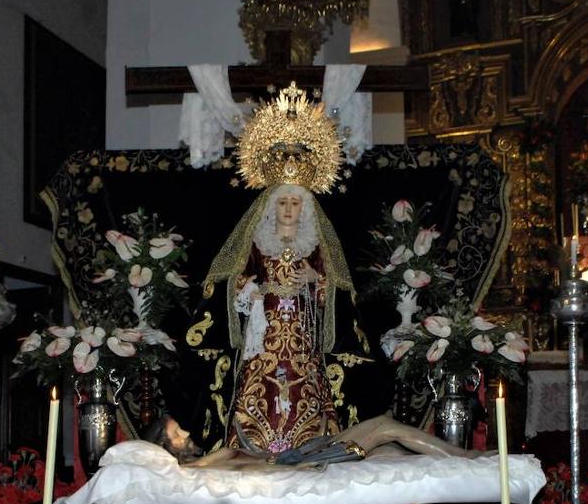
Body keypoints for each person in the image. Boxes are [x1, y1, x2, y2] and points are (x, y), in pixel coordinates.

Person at [201, 184, 359, 455]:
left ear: (305, 209)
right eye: (282, 202)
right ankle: (251, 443)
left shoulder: (316, 249)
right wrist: (249, 292)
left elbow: (339, 292)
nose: (288, 209)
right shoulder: (257, 244)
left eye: (295, 203)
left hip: (301, 334)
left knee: (305, 384)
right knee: (259, 382)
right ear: (272, 207)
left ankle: (307, 445)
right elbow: (234, 279)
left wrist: (316, 280)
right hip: (266, 332)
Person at [143, 412, 482, 469]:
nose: (186, 433)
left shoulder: (201, 464)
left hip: (296, 456)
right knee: (383, 428)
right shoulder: (197, 468)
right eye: (176, 434)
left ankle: (455, 461)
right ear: (166, 448)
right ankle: (465, 457)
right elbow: (257, 471)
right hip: (296, 462)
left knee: (389, 449)